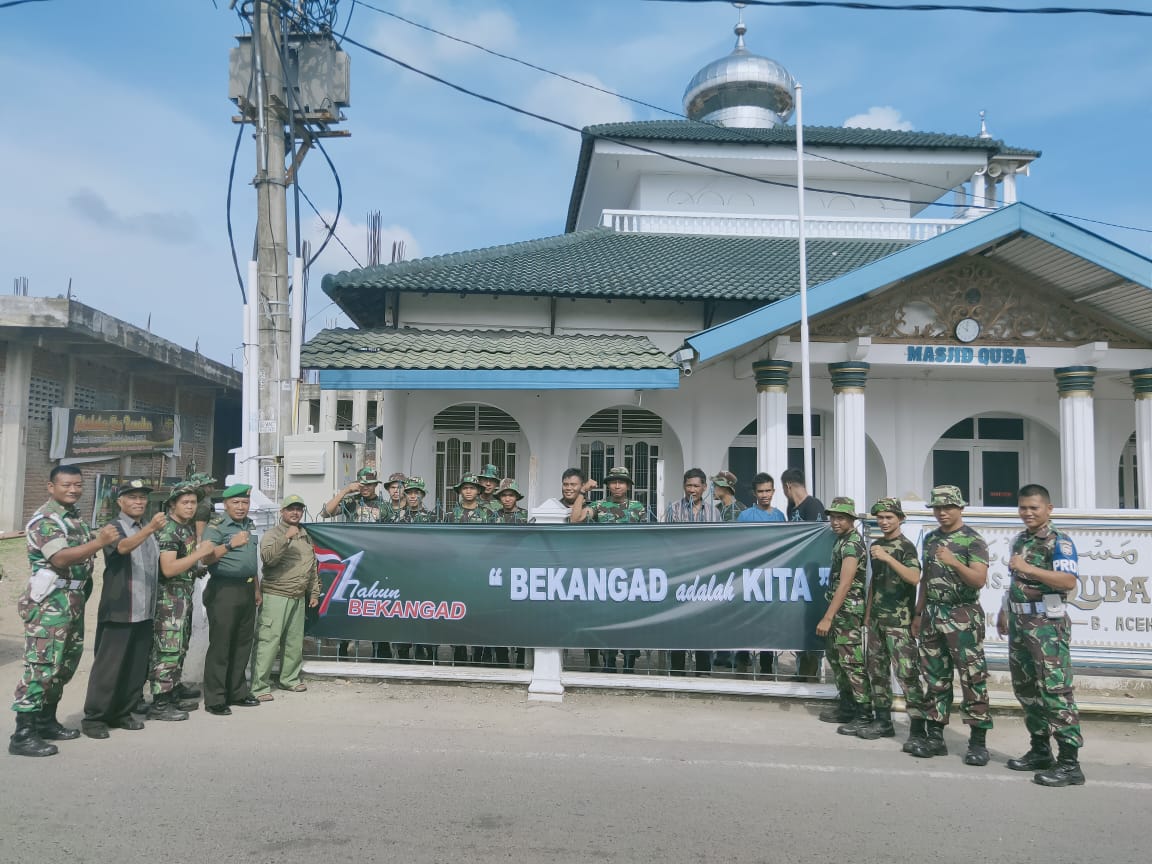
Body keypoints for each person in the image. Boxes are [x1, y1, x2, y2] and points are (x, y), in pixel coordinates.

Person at [10, 465, 120, 757]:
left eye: (77, 485)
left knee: (64, 663)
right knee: (42, 665)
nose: (73, 490)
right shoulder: (46, 520)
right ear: (51, 487)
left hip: (71, 600)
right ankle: (23, 732)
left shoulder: (74, 519)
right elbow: (59, 557)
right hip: (49, 602)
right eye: (66, 485)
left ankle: (46, 721)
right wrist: (99, 542)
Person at [997, 484, 1085, 787]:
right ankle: (1040, 750)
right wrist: (1005, 610)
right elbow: (1015, 580)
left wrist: (1029, 568)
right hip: (1021, 621)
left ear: (1049, 509)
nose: (1028, 513)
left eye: (1034, 507)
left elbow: (1067, 580)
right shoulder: (1020, 540)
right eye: (1023, 507)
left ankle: (1070, 763)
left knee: (1054, 690)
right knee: (1026, 689)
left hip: (1047, 625)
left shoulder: (1059, 542)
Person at [908, 485, 992, 765]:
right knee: (934, 678)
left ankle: (977, 742)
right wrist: (918, 614)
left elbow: (978, 580)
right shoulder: (931, 539)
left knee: (972, 678)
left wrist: (954, 561)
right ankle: (935, 737)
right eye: (937, 508)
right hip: (933, 614)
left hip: (963, 615)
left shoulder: (973, 541)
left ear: (960, 508)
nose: (942, 513)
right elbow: (926, 579)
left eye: (948, 507)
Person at [81, 480, 168, 739]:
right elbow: (121, 548)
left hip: (145, 610)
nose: (139, 502)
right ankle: (95, 717)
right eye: (132, 497)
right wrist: (151, 528)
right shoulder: (114, 528)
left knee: (134, 665)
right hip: (120, 609)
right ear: (120, 502)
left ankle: (122, 712)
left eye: (142, 498)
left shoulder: (146, 528)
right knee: (109, 666)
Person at [145, 482, 215, 721]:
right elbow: (168, 568)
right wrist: (197, 555)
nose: (190, 506)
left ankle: (173, 692)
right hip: (168, 600)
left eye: (193, 502)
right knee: (167, 649)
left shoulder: (183, 528)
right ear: (172, 504)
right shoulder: (169, 530)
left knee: (179, 646)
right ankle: (160, 702)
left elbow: (184, 563)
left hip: (182, 597)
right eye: (185, 502)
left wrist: (195, 567)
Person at [860, 497, 926, 748]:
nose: (884, 522)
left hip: (900, 622)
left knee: (907, 674)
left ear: (900, 519)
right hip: (877, 619)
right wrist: (868, 614)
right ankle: (883, 721)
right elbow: (874, 582)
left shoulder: (905, 547)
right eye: (880, 517)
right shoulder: (876, 545)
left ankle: (918, 728)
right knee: (876, 672)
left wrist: (889, 558)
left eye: (889, 517)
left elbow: (914, 577)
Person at [572, 466, 649, 673]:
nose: (617, 485)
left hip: (631, 572)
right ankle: (609, 660)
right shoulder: (598, 505)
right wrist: (582, 492)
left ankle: (630, 661)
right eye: (613, 482)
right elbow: (576, 519)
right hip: (605, 571)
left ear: (628, 485)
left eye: (621, 482)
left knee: (630, 618)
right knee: (607, 617)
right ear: (607, 485)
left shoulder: (637, 507)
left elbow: (646, 539)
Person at [252, 495, 321, 701]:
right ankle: (259, 686)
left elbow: (312, 566)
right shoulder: (274, 534)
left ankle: (289, 679)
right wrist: (286, 538)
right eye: (291, 509)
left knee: (293, 642)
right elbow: (268, 559)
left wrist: (314, 592)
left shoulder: (305, 536)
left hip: (298, 596)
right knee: (268, 641)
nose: (295, 512)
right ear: (282, 512)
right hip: (276, 595)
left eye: (299, 509)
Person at [200, 484, 262, 716]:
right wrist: (229, 545)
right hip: (224, 590)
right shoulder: (217, 526)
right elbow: (205, 558)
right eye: (235, 503)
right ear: (225, 505)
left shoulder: (249, 524)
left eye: (244, 503)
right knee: (222, 644)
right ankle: (215, 698)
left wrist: (256, 588)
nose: (241, 507)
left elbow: (250, 560)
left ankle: (237, 692)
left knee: (242, 643)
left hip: (246, 589)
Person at [816, 497, 872, 735]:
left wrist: (828, 616)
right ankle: (847, 706)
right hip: (840, 610)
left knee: (851, 662)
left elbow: (846, 583)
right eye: (832, 517)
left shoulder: (852, 545)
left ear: (851, 519)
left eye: (840, 518)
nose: (835, 522)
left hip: (847, 611)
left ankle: (864, 713)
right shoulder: (842, 541)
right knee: (837, 659)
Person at [665, 468, 718, 676]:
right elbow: (666, 541)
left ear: (704, 487)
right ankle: (677, 670)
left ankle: (703, 670)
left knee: (703, 622)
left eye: (697, 486)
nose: (692, 490)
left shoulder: (713, 512)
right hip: (679, 574)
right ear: (683, 486)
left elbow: (718, 543)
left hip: (705, 576)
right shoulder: (674, 510)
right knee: (678, 622)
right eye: (689, 486)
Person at [444, 474, 494, 664]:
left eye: (472, 488)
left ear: (478, 491)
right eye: (465, 488)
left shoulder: (488, 515)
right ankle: (459, 650)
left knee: (480, 611)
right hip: (456, 571)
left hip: (480, 570)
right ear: (460, 491)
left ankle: (481, 650)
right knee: (457, 610)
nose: (468, 491)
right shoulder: (450, 515)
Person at [781, 469, 825, 680]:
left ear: (788, 486)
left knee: (812, 619)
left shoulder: (813, 505)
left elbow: (816, 537)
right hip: (795, 571)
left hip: (811, 572)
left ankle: (811, 668)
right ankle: (802, 666)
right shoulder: (791, 508)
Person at [392, 477, 437, 662]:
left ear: (422, 495)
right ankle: (403, 650)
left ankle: (427, 649)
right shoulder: (397, 517)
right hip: (403, 572)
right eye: (409, 492)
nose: (412, 496)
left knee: (427, 612)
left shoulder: (433, 516)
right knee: (403, 612)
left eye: (416, 492)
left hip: (426, 572)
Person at [492, 479, 529, 667]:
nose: (507, 499)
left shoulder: (526, 517)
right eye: (504, 495)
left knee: (521, 617)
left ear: (516, 497)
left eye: (510, 495)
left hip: (520, 573)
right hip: (498, 572)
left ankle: (523, 656)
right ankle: (502, 658)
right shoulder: (492, 517)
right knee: (498, 617)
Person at [322, 467, 387, 523]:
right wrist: (345, 491)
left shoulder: (385, 505)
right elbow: (325, 513)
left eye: (369, 484)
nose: (365, 488)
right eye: (362, 484)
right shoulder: (351, 501)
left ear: (375, 484)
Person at [190, 473, 218, 542]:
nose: (212, 489)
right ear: (199, 487)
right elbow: (200, 537)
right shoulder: (202, 508)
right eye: (209, 486)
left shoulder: (202, 503)